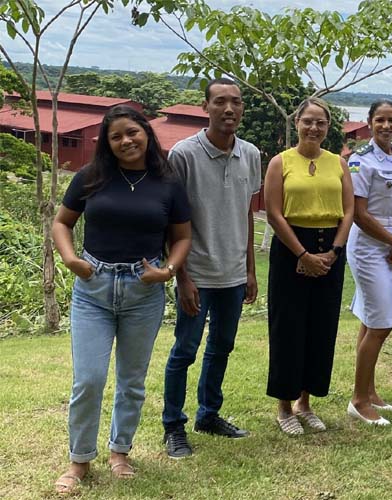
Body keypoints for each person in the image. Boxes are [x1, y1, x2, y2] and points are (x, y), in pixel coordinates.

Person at [52, 105, 191, 493]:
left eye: (132, 132)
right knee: (89, 380)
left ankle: (120, 452)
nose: (126, 141)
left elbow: (182, 237)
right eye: (116, 137)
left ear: (146, 132)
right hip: (93, 288)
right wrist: (70, 259)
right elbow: (62, 222)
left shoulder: (168, 183)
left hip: (143, 291)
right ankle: (79, 460)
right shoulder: (91, 177)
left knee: (131, 380)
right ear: (108, 144)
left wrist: (168, 271)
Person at [162, 78, 261, 458]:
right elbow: (172, 220)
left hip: (233, 274)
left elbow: (248, 215)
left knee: (222, 346)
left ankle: (209, 414)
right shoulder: (184, 155)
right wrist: (180, 275)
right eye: (220, 102)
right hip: (196, 273)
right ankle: (173, 425)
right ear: (206, 106)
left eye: (236, 102)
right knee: (185, 349)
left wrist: (250, 270)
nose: (229, 109)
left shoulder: (250, 154)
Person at [264, 97, 354, 435]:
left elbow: (348, 211)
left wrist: (334, 251)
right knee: (288, 327)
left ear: (328, 128)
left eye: (321, 122)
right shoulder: (280, 162)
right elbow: (273, 213)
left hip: (331, 248)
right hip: (291, 249)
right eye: (308, 121)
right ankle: (284, 406)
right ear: (297, 123)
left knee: (320, 327)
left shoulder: (338, 164)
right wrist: (302, 255)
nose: (314, 128)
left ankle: (305, 402)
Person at [346, 100, 392, 426]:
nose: (386, 126)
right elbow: (359, 213)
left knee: (370, 320)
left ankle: (370, 391)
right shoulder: (361, 161)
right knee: (381, 323)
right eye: (380, 120)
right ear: (370, 122)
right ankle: (358, 401)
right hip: (367, 247)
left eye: (391, 120)